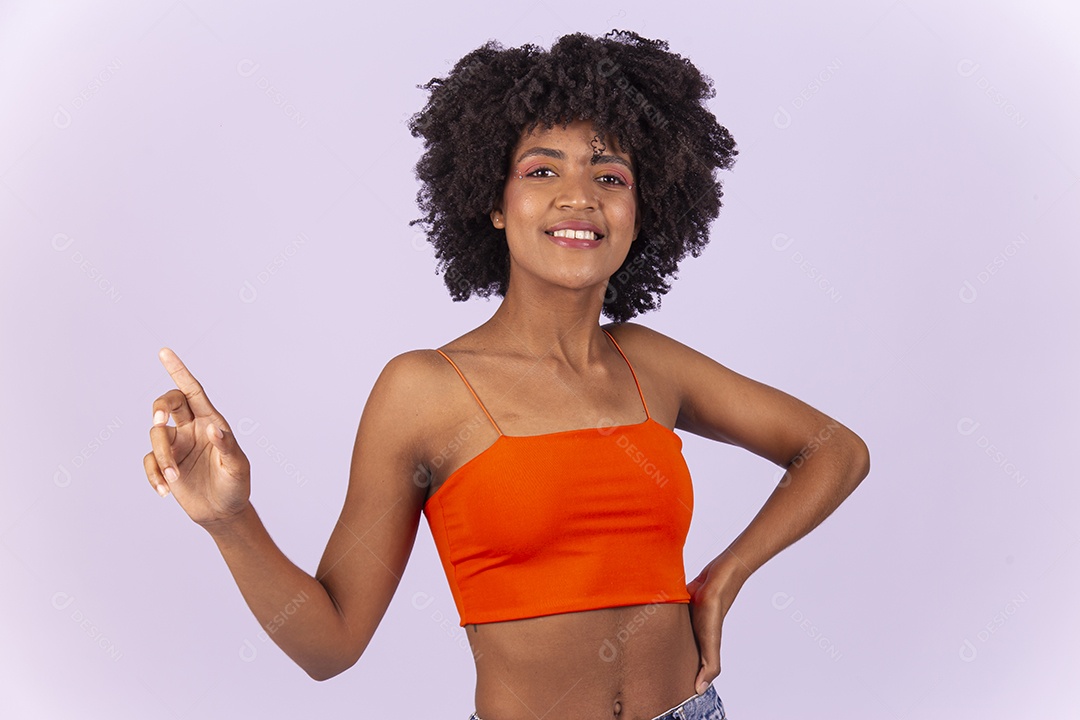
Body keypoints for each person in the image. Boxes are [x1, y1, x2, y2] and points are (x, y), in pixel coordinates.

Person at [143, 30, 870, 720]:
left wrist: (724, 577)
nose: (578, 195)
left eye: (608, 174)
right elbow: (330, 646)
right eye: (542, 169)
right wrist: (229, 522)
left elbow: (835, 449)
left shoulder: (651, 362)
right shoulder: (422, 390)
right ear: (494, 203)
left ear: (641, 209)